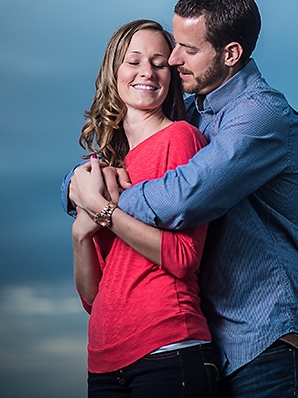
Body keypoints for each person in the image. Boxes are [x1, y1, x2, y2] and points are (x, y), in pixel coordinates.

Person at [65, 0, 298, 398]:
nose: (172, 57)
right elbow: (94, 179)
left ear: (231, 53)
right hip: (212, 342)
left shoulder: (261, 117)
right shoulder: (196, 119)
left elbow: (185, 195)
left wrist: (101, 202)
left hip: (265, 341)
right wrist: (77, 187)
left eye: (188, 49)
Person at [71, 19, 218, 397]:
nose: (146, 73)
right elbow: (93, 298)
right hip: (103, 362)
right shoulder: (104, 168)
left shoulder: (181, 139)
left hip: (168, 350)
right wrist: (79, 236)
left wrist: (104, 213)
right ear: (114, 71)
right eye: (134, 61)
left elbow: (184, 257)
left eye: (158, 62)